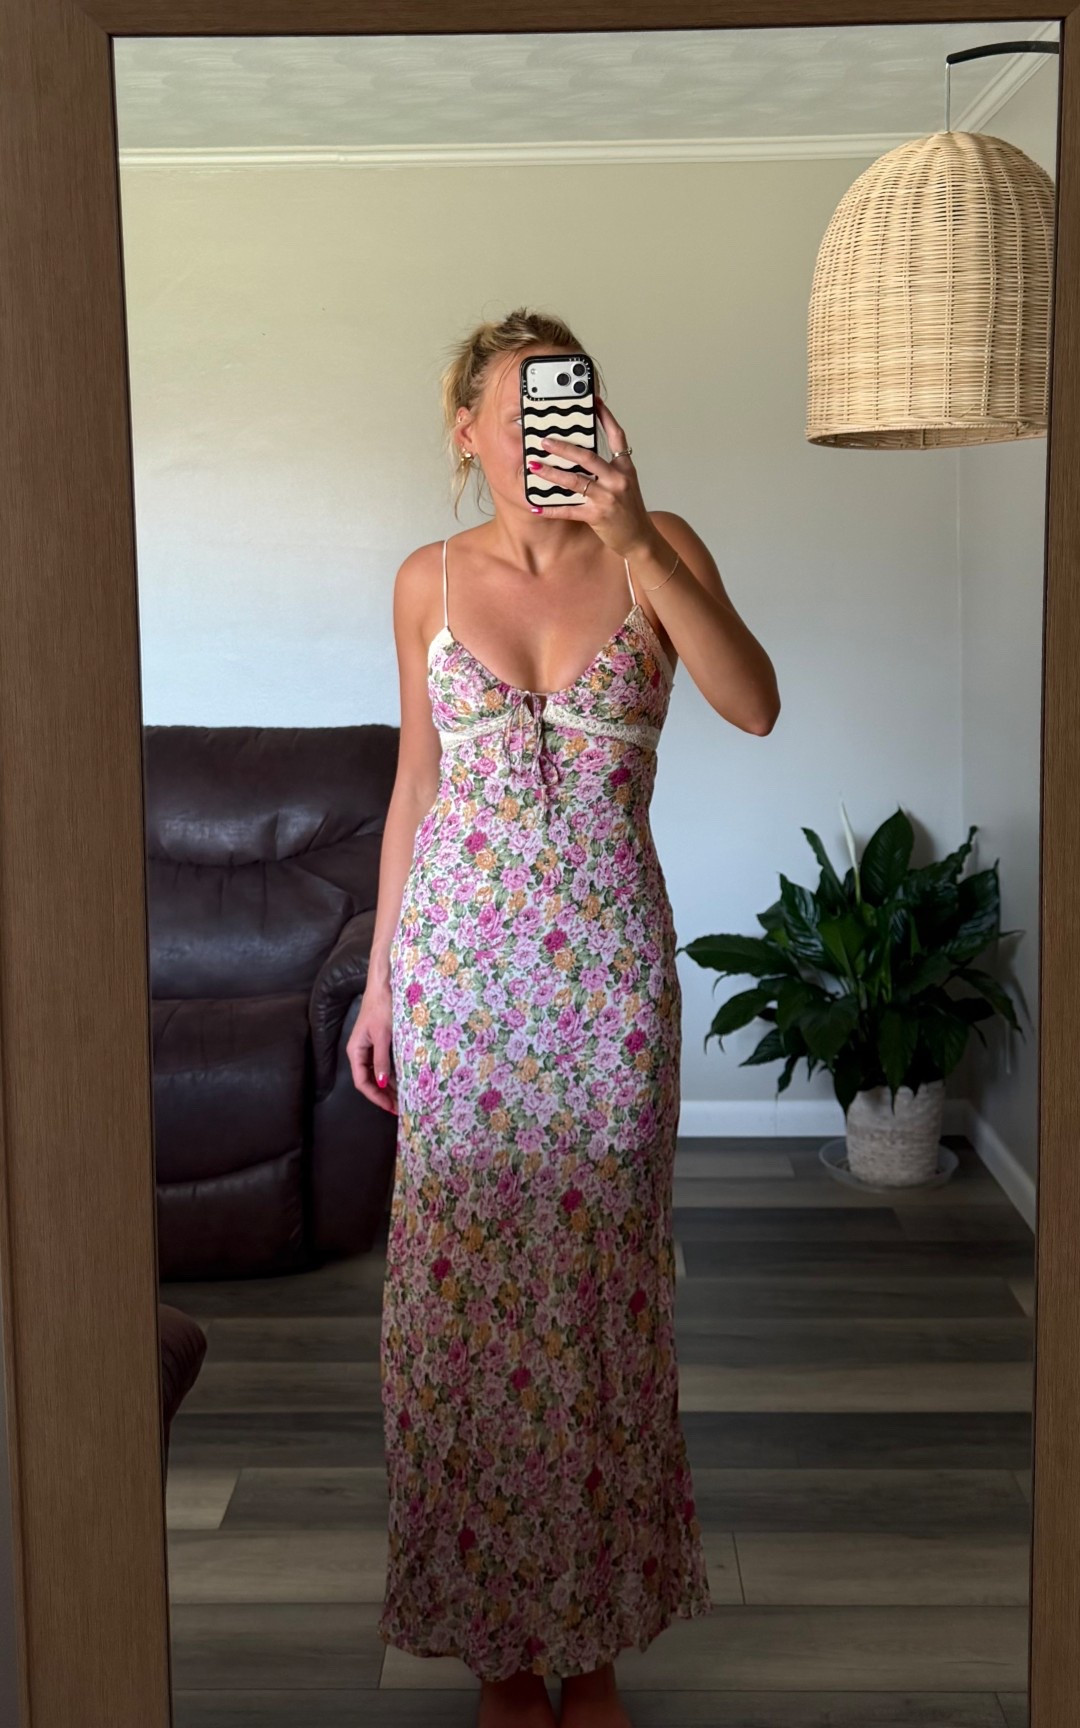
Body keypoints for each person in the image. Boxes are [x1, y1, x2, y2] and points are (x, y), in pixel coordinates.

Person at [345, 308, 780, 1728]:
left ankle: (589, 1637)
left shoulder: (659, 549)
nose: (549, 430)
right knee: (463, 1308)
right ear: (469, 430)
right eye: (520, 406)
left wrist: (640, 536)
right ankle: (498, 1647)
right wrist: (378, 982)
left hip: (608, 991)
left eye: (568, 400)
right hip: (459, 985)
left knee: (599, 1307)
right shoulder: (424, 581)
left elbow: (756, 706)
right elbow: (416, 789)